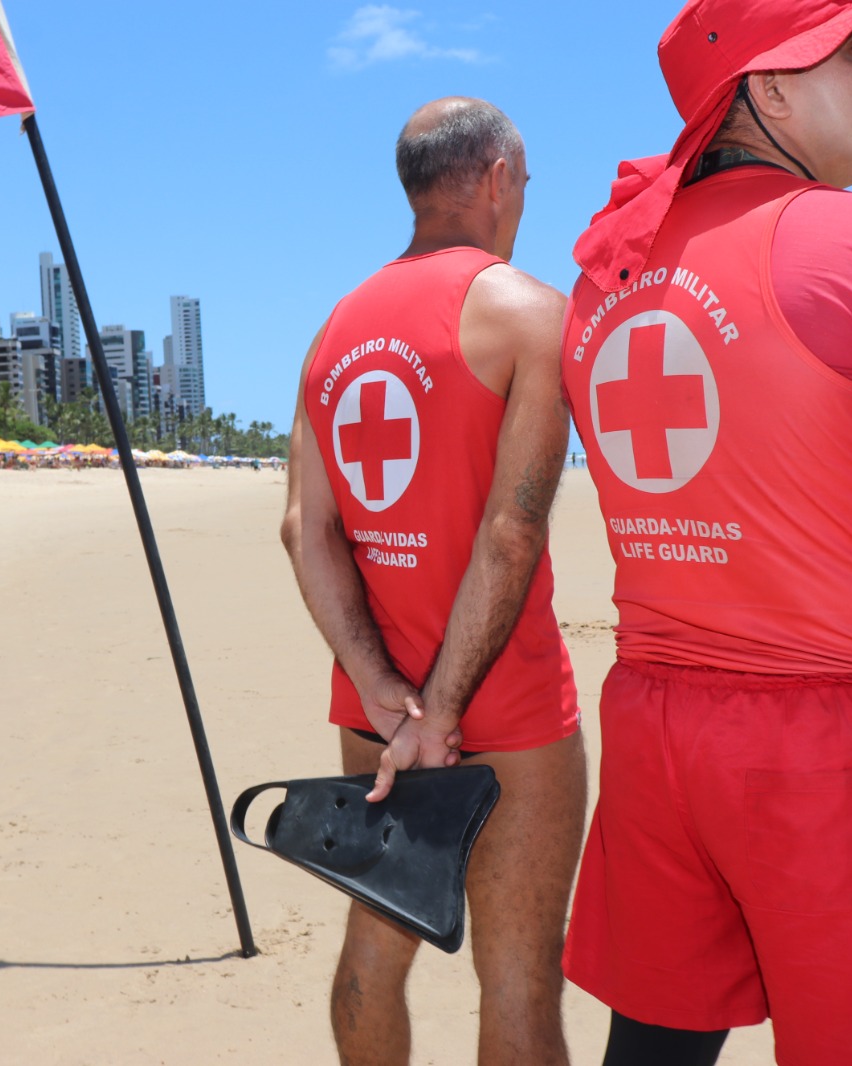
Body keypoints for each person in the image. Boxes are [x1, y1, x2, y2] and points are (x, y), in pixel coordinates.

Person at [557, 2, 852, 1063]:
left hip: (653, 732)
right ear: (768, 90)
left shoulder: (603, 277)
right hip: (830, 747)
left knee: (657, 1047)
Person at [281, 97, 585, 1065]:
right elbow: (511, 532)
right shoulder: (532, 315)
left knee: (375, 945)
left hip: (376, 708)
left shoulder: (334, 329)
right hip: (507, 706)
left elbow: (304, 530)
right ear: (496, 178)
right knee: (519, 975)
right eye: (523, 183)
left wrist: (386, 694)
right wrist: (444, 710)